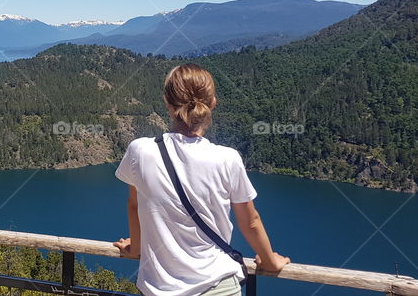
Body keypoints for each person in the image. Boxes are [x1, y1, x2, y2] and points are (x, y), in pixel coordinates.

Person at [113, 63, 289, 296]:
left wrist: (135, 249)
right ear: (213, 102)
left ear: (167, 102)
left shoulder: (140, 151)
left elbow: (134, 205)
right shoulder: (228, 158)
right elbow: (250, 221)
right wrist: (270, 261)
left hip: (157, 289)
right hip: (218, 287)